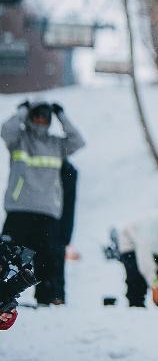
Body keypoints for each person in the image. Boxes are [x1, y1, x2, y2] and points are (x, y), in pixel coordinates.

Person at [1, 100, 84, 305]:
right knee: (7, 257)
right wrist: (23, 110)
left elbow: (78, 140)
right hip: (19, 209)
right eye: (36, 116)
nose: (40, 120)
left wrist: (61, 115)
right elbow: (6, 129)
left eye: (44, 117)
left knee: (47, 259)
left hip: (47, 211)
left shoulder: (57, 144)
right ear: (30, 117)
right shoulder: (19, 139)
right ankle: (2, 296)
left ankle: (47, 299)